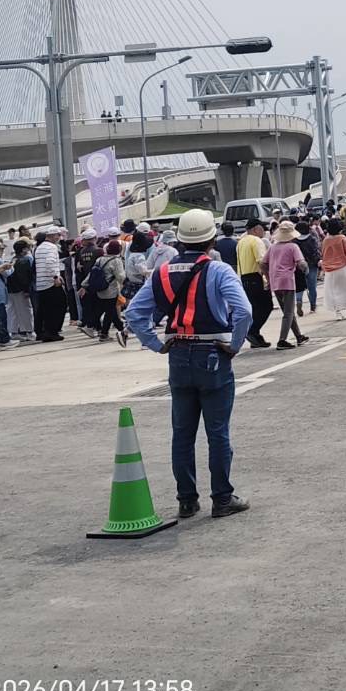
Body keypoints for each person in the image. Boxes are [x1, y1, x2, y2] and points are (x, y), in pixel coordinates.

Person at [126, 208, 253, 520]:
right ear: (211, 239)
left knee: (182, 433)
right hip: (213, 353)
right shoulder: (219, 271)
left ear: (180, 240)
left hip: (179, 354)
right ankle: (222, 498)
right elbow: (244, 311)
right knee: (217, 432)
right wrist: (234, 345)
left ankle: (186, 500)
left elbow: (134, 314)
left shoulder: (162, 273)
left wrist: (157, 344)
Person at [264, 221, 309, 349]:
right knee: (288, 313)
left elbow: (263, 263)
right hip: (287, 280)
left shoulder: (272, 247)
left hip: (275, 281)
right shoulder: (293, 247)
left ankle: (299, 336)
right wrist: (305, 269)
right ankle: (282, 340)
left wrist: (268, 276)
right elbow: (301, 263)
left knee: (287, 311)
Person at [236, 217, 273, 349]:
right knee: (266, 306)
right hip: (256, 277)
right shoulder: (256, 241)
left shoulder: (241, 242)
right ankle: (252, 331)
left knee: (255, 308)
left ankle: (255, 337)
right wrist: (268, 278)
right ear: (256, 229)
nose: (264, 231)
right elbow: (261, 262)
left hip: (244, 278)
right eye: (262, 228)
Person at [320, 217, 346, 318]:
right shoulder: (341, 238)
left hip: (330, 270)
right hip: (343, 267)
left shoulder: (325, 240)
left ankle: (338, 313)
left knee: (334, 291)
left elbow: (323, 254)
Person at [32, 228, 66, 342]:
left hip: (41, 283)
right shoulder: (52, 247)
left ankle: (42, 332)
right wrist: (55, 277)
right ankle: (52, 332)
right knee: (59, 306)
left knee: (44, 309)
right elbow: (49, 262)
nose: (59, 238)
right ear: (53, 235)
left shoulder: (39, 248)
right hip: (50, 282)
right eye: (58, 235)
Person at [6, 238, 34, 340]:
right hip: (21, 289)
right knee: (26, 310)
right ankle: (29, 331)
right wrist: (27, 290)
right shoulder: (25, 260)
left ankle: (14, 332)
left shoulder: (12, 259)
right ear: (23, 249)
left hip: (10, 289)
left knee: (13, 310)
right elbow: (25, 277)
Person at [293, 217, 322, 316]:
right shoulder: (312, 239)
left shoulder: (294, 241)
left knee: (299, 286)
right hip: (311, 265)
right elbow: (316, 252)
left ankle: (299, 301)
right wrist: (318, 261)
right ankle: (313, 306)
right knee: (312, 286)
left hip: (298, 266)